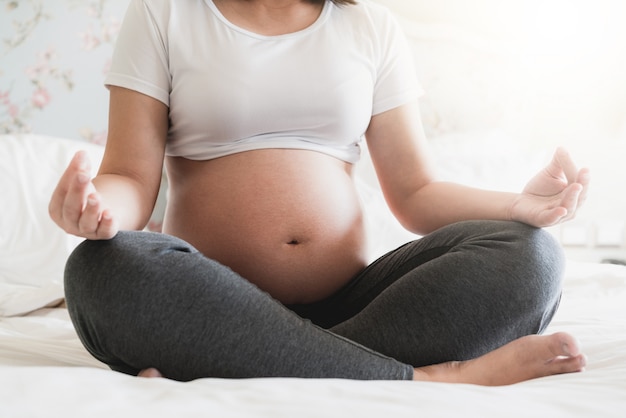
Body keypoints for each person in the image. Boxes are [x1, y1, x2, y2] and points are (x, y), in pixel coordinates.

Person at [49, 0, 589, 385]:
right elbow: (131, 180)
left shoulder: (369, 26)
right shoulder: (166, 13)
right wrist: (98, 209)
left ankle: (247, 358)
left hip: (359, 304)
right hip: (211, 301)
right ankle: (424, 378)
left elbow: (416, 192)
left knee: (530, 254)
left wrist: (516, 209)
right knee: (100, 272)